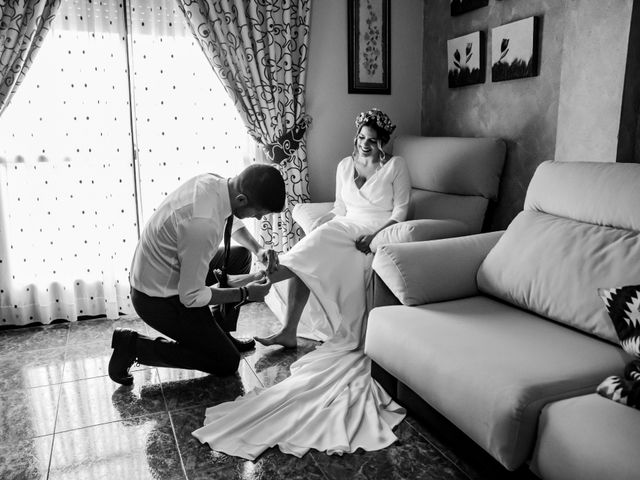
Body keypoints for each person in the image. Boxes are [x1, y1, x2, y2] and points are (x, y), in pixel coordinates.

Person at [191, 108, 411, 460]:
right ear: (355, 138)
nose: (365, 146)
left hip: (370, 237)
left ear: (383, 142)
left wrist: (374, 235)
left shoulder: (395, 167)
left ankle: (243, 283)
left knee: (307, 255)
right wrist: (315, 224)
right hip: (345, 228)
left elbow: (401, 212)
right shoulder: (344, 165)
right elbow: (340, 209)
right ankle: (284, 325)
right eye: (361, 139)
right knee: (310, 246)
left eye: (372, 141)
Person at [108, 164, 286, 385]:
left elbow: (233, 220)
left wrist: (258, 250)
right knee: (226, 362)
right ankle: (134, 347)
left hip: (165, 269)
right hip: (156, 298)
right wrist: (246, 293)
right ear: (241, 199)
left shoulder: (216, 184)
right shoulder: (203, 224)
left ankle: (221, 333)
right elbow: (191, 296)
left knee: (241, 256)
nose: (259, 218)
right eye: (259, 213)